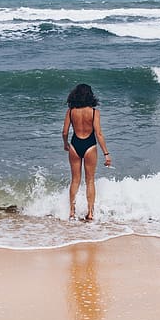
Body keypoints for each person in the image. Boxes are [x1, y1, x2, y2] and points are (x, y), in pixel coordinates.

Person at [62, 83, 111, 221]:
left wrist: (66, 144)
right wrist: (106, 153)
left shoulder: (71, 111)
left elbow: (65, 131)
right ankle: (90, 213)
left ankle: (72, 212)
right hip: (90, 145)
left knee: (75, 180)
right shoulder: (94, 112)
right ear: (90, 95)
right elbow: (99, 134)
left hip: (75, 145)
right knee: (90, 180)